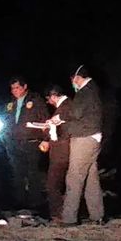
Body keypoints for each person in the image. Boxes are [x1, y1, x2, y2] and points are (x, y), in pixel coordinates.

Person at [50, 65, 105, 226]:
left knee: (74, 177)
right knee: (90, 178)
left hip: (84, 138)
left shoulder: (85, 91)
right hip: (93, 137)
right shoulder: (94, 90)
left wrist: (60, 119)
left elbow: (76, 113)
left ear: (76, 77)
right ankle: (97, 215)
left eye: (72, 80)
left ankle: (68, 218)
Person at [5, 75, 49, 211]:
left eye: (17, 87)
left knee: (33, 173)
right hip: (14, 143)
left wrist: (46, 139)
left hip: (32, 142)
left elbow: (45, 120)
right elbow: (6, 121)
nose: (15, 91)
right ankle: (20, 202)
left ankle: (35, 203)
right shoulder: (10, 103)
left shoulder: (35, 100)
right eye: (12, 88)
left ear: (25, 87)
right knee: (17, 173)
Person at [39, 85, 73, 221]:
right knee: (60, 183)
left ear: (53, 96)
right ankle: (62, 212)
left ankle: (58, 214)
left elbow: (59, 131)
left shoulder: (65, 106)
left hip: (61, 150)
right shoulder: (67, 105)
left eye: (49, 99)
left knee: (52, 184)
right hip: (63, 148)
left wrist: (46, 130)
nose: (49, 103)